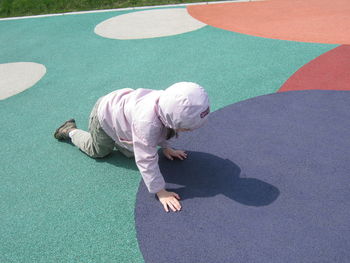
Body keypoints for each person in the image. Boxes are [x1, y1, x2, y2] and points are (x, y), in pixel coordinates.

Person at [54, 82, 210, 212]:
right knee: (98, 150)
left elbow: (164, 129)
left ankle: (120, 140)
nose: (187, 131)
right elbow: (145, 160)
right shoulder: (147, 124)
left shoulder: (168, 102)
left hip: (123, 111)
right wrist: (160, 192)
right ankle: (69, 130)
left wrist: (166, 148)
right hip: (104, 115)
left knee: (132, 149)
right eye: (186, 129)